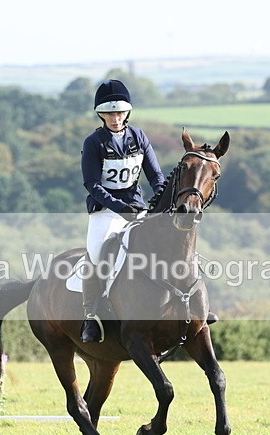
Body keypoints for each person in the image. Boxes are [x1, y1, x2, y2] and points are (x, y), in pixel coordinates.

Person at [79, 79, 166, 343]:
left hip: (137, 207)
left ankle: (192, 302)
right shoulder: (93, 142)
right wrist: (120, 208)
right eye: (109, 113)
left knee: (172, 243)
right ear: (101, 114)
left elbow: (156, 175)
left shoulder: (139, 137)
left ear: (127, 112)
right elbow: (92, 184)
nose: (115, 118)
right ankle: (91, 315)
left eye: (119, 113)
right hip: (105, 210)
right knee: (96, 253)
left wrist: (160, 197)